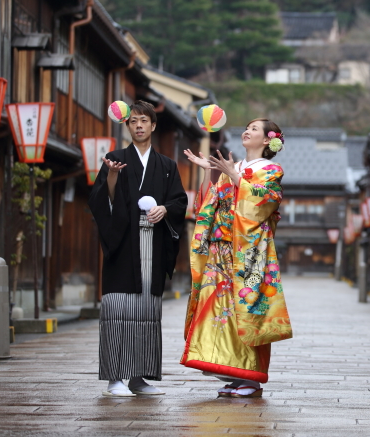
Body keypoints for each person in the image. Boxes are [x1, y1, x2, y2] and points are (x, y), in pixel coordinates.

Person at [181, 118, 292, 398]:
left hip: (249, 251)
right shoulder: (234, 167)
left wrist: (234, 177)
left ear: (267, 140)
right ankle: (232, 372)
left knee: (247, 308)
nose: (247, 131)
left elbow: (265, 203)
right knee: (218, 310)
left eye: (254, 129)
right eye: (247, 127)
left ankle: (251, 378)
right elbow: (211, 204)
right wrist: (210, 174)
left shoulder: (271, 170)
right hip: (222, 248)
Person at [88, 101, 187, 397]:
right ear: (128, 126)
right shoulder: (115, 158)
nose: (139, 125)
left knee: (146, 312)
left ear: (154, 126)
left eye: (145, 121)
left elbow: (180, 202)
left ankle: (138, 378)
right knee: (118, 310)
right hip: (123, 245)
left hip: (153, 246)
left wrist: (165, 210)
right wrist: (113, 176)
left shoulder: (167, 166)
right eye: (134, 121)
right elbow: (98, 200)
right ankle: (114, 378)